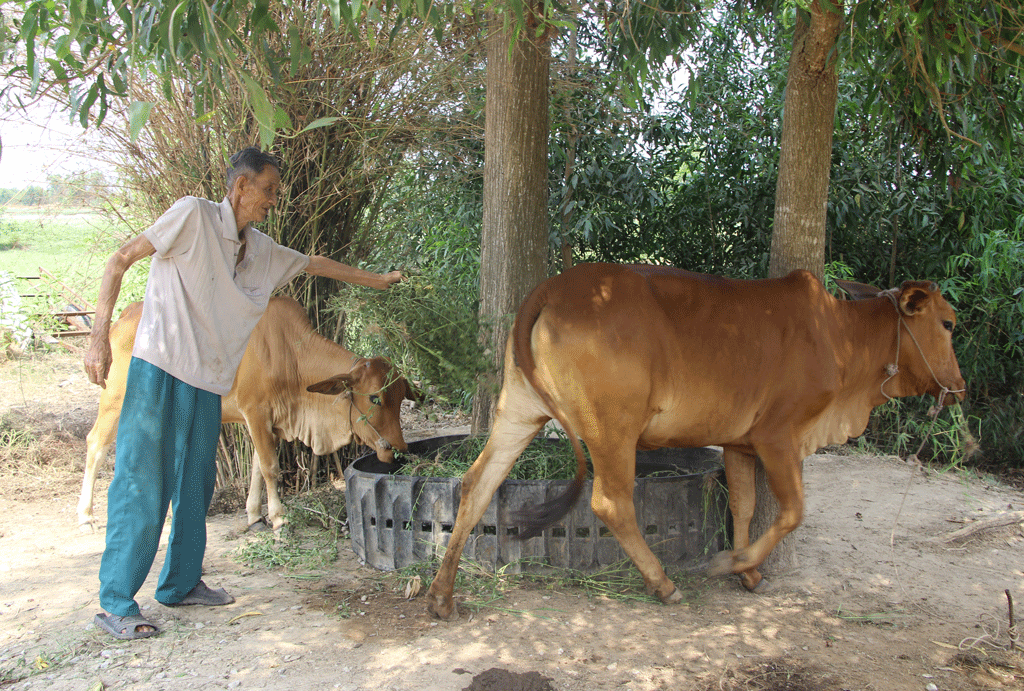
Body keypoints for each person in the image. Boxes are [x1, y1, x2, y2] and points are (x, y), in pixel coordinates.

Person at [84, 147, 402, 640]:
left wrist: (378, 280)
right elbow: (118, 260)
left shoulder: (262, 251)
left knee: (195, 485)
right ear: (240, 187)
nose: (275, 199)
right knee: (144, 480)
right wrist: (98, 332)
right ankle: (116, 602)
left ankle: (181, 584)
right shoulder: (192, 215)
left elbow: (314, 263)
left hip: (208, 380)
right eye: (269, 190)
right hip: (159, 367)